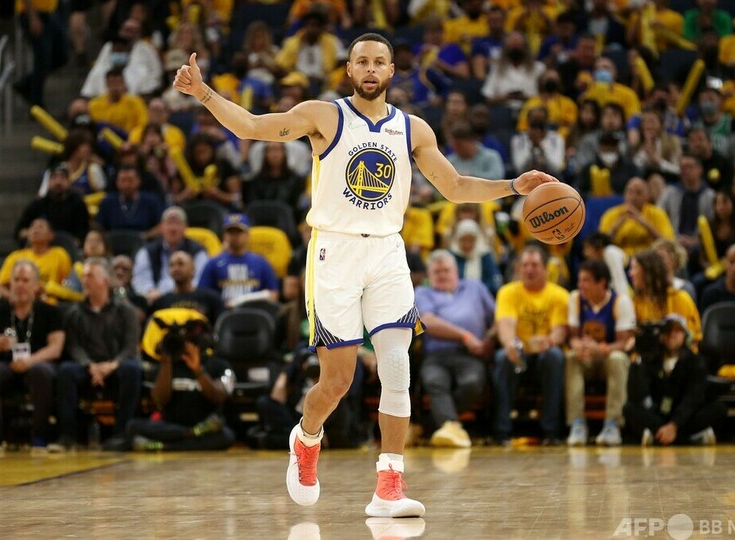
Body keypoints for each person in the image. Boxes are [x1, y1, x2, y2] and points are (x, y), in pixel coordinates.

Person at [173, 33, 557, 516]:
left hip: (387, 252)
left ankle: (389, 485)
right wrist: (203, 93)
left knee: (397, 366)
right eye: (362, 62)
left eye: (379, 62)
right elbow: (250, 127)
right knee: (337, 382)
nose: (371, 69)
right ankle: (306, 438)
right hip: (334, 252)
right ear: (349, 70)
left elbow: (455, 186)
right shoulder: (323, 116)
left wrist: (513, 186)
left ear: (392, 71)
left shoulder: (413, 129)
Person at [0, 260, 65, 454]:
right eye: (16, 280)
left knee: (42, 373)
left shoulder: (50, 312)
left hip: (36, 363)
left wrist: (29, 361)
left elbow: (55, 348)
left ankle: (39, 437)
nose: (20, 285)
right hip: (6, 365)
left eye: (25, 280)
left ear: (36, 286)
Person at [53, 258, 143, 451]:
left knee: (133, 370)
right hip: (88, 367)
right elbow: (74, 346)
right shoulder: (73, 313)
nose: (85, 280)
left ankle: (121, 434)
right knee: (65, 371)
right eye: (84, 276)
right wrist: (89, 365)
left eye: (90, 276)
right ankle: (68, 435)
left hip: (116, 366)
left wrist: (113, 364)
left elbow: (130, 346)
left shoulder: (126, 311)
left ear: (105, 281)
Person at [414, 250, 495, 448]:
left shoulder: (475, 287)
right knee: (434, 381)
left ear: (456, 271)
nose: (442, 275)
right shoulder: (422, 292)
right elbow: (427, 322)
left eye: (446, 270)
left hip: (470, 356)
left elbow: (497, 319)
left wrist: (489, 341)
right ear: (429, 275)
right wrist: (465, 336)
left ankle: (428, 426)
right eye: (437, 271)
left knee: (472, 383)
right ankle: (451, 428)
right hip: (436, 356)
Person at [492, 244, 568, 446]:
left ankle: (552, 431)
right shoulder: (507, 292)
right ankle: (501, 431)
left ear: (545, 269)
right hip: (520, 354)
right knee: (502, 357)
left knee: (555, 356)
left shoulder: (560, 295)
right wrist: (510, 343)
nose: (529, 270)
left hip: (544, 353)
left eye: (534, 265)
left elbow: (560, 330)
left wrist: (549, 341)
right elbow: (505, 324)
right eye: (524, 265)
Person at [125, 318, 235, 452]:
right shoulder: (166, 366)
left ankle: (164, 446)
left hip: (206, 423)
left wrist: (198, 370)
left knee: (226, 436)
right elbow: (160, 399)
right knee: (133, 426)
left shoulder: (218, 365)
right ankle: (191, 433)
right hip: (172, 425)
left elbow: (218, 397)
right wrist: (166, 362)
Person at [623, 314, 726, 445]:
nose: (671, 334)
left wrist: (674, 425)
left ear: (685, 335)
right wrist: (637, 359)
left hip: (683, 415)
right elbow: (638, 394)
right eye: (667, 330)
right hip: (658, 413)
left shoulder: (695, 361)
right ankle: (688, 439)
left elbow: (693, 397)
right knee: (629, 409)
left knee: (718, 408)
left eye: (677, 330)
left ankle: (659, 437)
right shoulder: (651, 359)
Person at [566, 260, 635, 447]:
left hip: (608, 358)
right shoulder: (575, 298)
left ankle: (613, 424)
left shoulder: (620, 301)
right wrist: (578, 345)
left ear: (602, 282)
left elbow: (625, 342)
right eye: (579, 280)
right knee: (571, 357)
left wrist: (602, 349)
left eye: (586, 281)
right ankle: (577, 423)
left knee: (618, 359)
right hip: (587, 359)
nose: (580, 285)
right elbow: (572, 336)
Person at [198, 214, 279, 309]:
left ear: (248, 234)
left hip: (254, 312)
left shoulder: (261, 262)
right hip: (224, 313)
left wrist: (242, 300)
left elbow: (273, 295)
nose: (234, 236)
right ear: (224, 235)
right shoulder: (213, 263)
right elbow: (202, 294)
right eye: (230, 232)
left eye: (239, 232)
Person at [131, 206, 209, 304]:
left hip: (187, 298)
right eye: (169, 223)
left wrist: (174, 294)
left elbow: (200, 280)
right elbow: (140, 279)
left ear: (186, 227)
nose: (173, 228)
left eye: (177, 223)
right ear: (161, 227)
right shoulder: (147, 251)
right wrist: (149, 291)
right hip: (155, 300)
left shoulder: (198, 252)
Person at [0, 218, 72, 301]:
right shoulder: (15, 256)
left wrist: (46, 289)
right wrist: (15, 299)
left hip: (49, 303)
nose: (35, 229)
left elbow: (69, 285)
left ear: (51, 235)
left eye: (40, 227)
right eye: (32, 226)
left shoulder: (60, 254)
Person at [14, 162, 90, 244]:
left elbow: (83, 233)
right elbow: (20, 231)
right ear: (48, 182)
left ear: (69, 182)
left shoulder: (78, 204)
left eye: (62, 178)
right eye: (54, 178)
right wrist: (34, 233)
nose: (58, 182)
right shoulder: (38, 204)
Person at [150, 251, 225, 325]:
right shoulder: (161, 303)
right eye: (171, 265)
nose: (175, 268)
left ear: (193, 268)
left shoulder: (212, 299)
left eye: (180, 264)